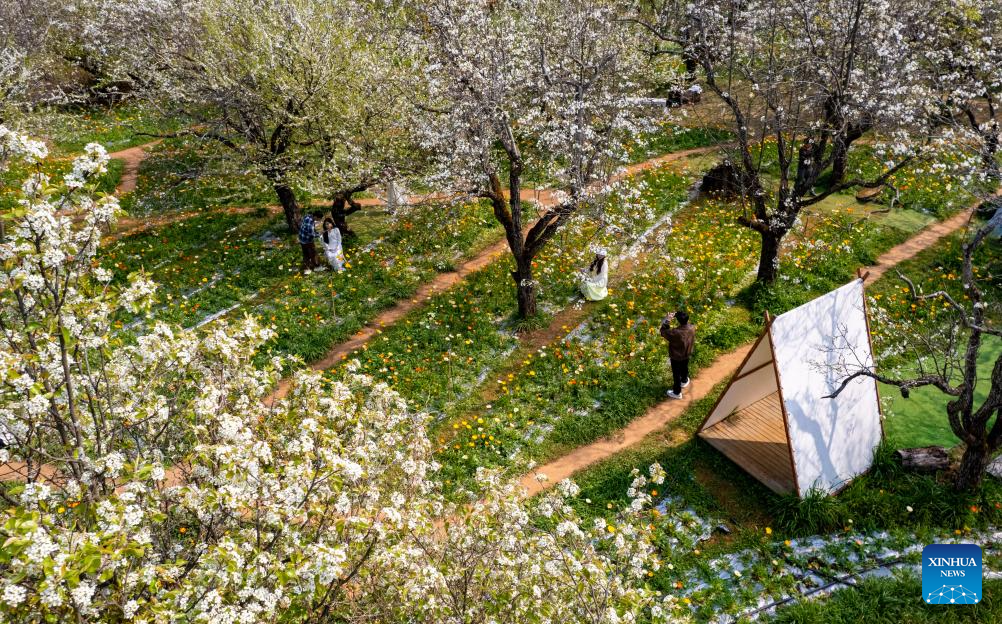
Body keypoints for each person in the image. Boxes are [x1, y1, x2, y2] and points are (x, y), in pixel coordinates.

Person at [660, 309, 695, 399]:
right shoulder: (692, 327)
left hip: (677, 356)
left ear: (678, 320)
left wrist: (668, 320)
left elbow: (663, 332)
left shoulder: (676, 332)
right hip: (687, 353)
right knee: (684, 368)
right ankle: (684, 380)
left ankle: (677, 392)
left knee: (676, 374)